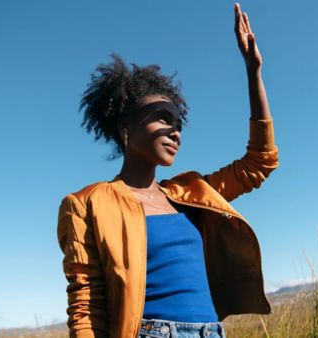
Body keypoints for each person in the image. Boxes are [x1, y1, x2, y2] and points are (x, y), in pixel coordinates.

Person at [57, 3, 279, 337]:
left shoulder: (191, 193)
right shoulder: (88, 204)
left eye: (178, 123)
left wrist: (253, 72)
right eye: (163, 117)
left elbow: (259, 162)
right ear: (126, 127)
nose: (175, 131)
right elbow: (86, 306)